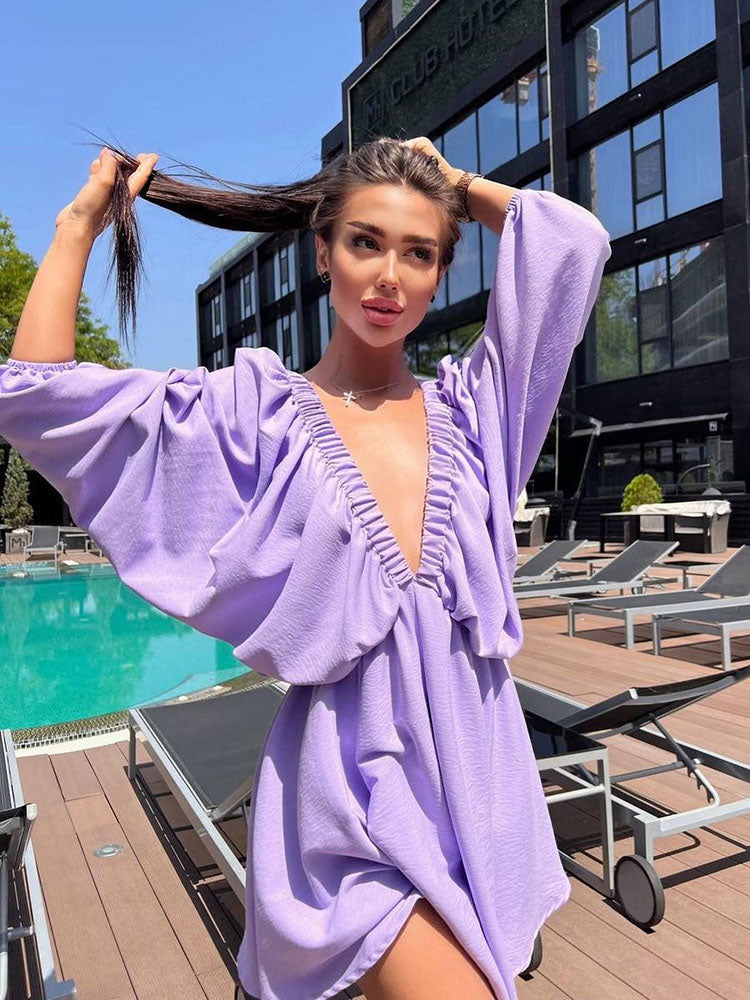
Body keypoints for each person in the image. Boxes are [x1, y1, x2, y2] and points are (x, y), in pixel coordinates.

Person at [0, 137, 611, 1000]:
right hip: (352, 804)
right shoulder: (256, 422)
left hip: (482, 788)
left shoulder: (482, 416)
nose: (389, 275)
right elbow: (37, 396)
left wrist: (456, 183)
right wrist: (77, 226)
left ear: (441, 273)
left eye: (419, 253)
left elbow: (574, 244)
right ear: (323, 252)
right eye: (365, 242)